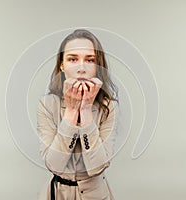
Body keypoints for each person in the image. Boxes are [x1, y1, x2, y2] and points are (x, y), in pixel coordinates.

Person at [37, 29, 118, 200]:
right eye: (73, 59)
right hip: (56, 194)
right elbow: (54, 165)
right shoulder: (47, 105)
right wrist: (72, 113)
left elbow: (97, 166)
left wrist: (86, 111)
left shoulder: (109, 107)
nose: (81, 68)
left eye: (89, 60)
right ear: (62, 65)